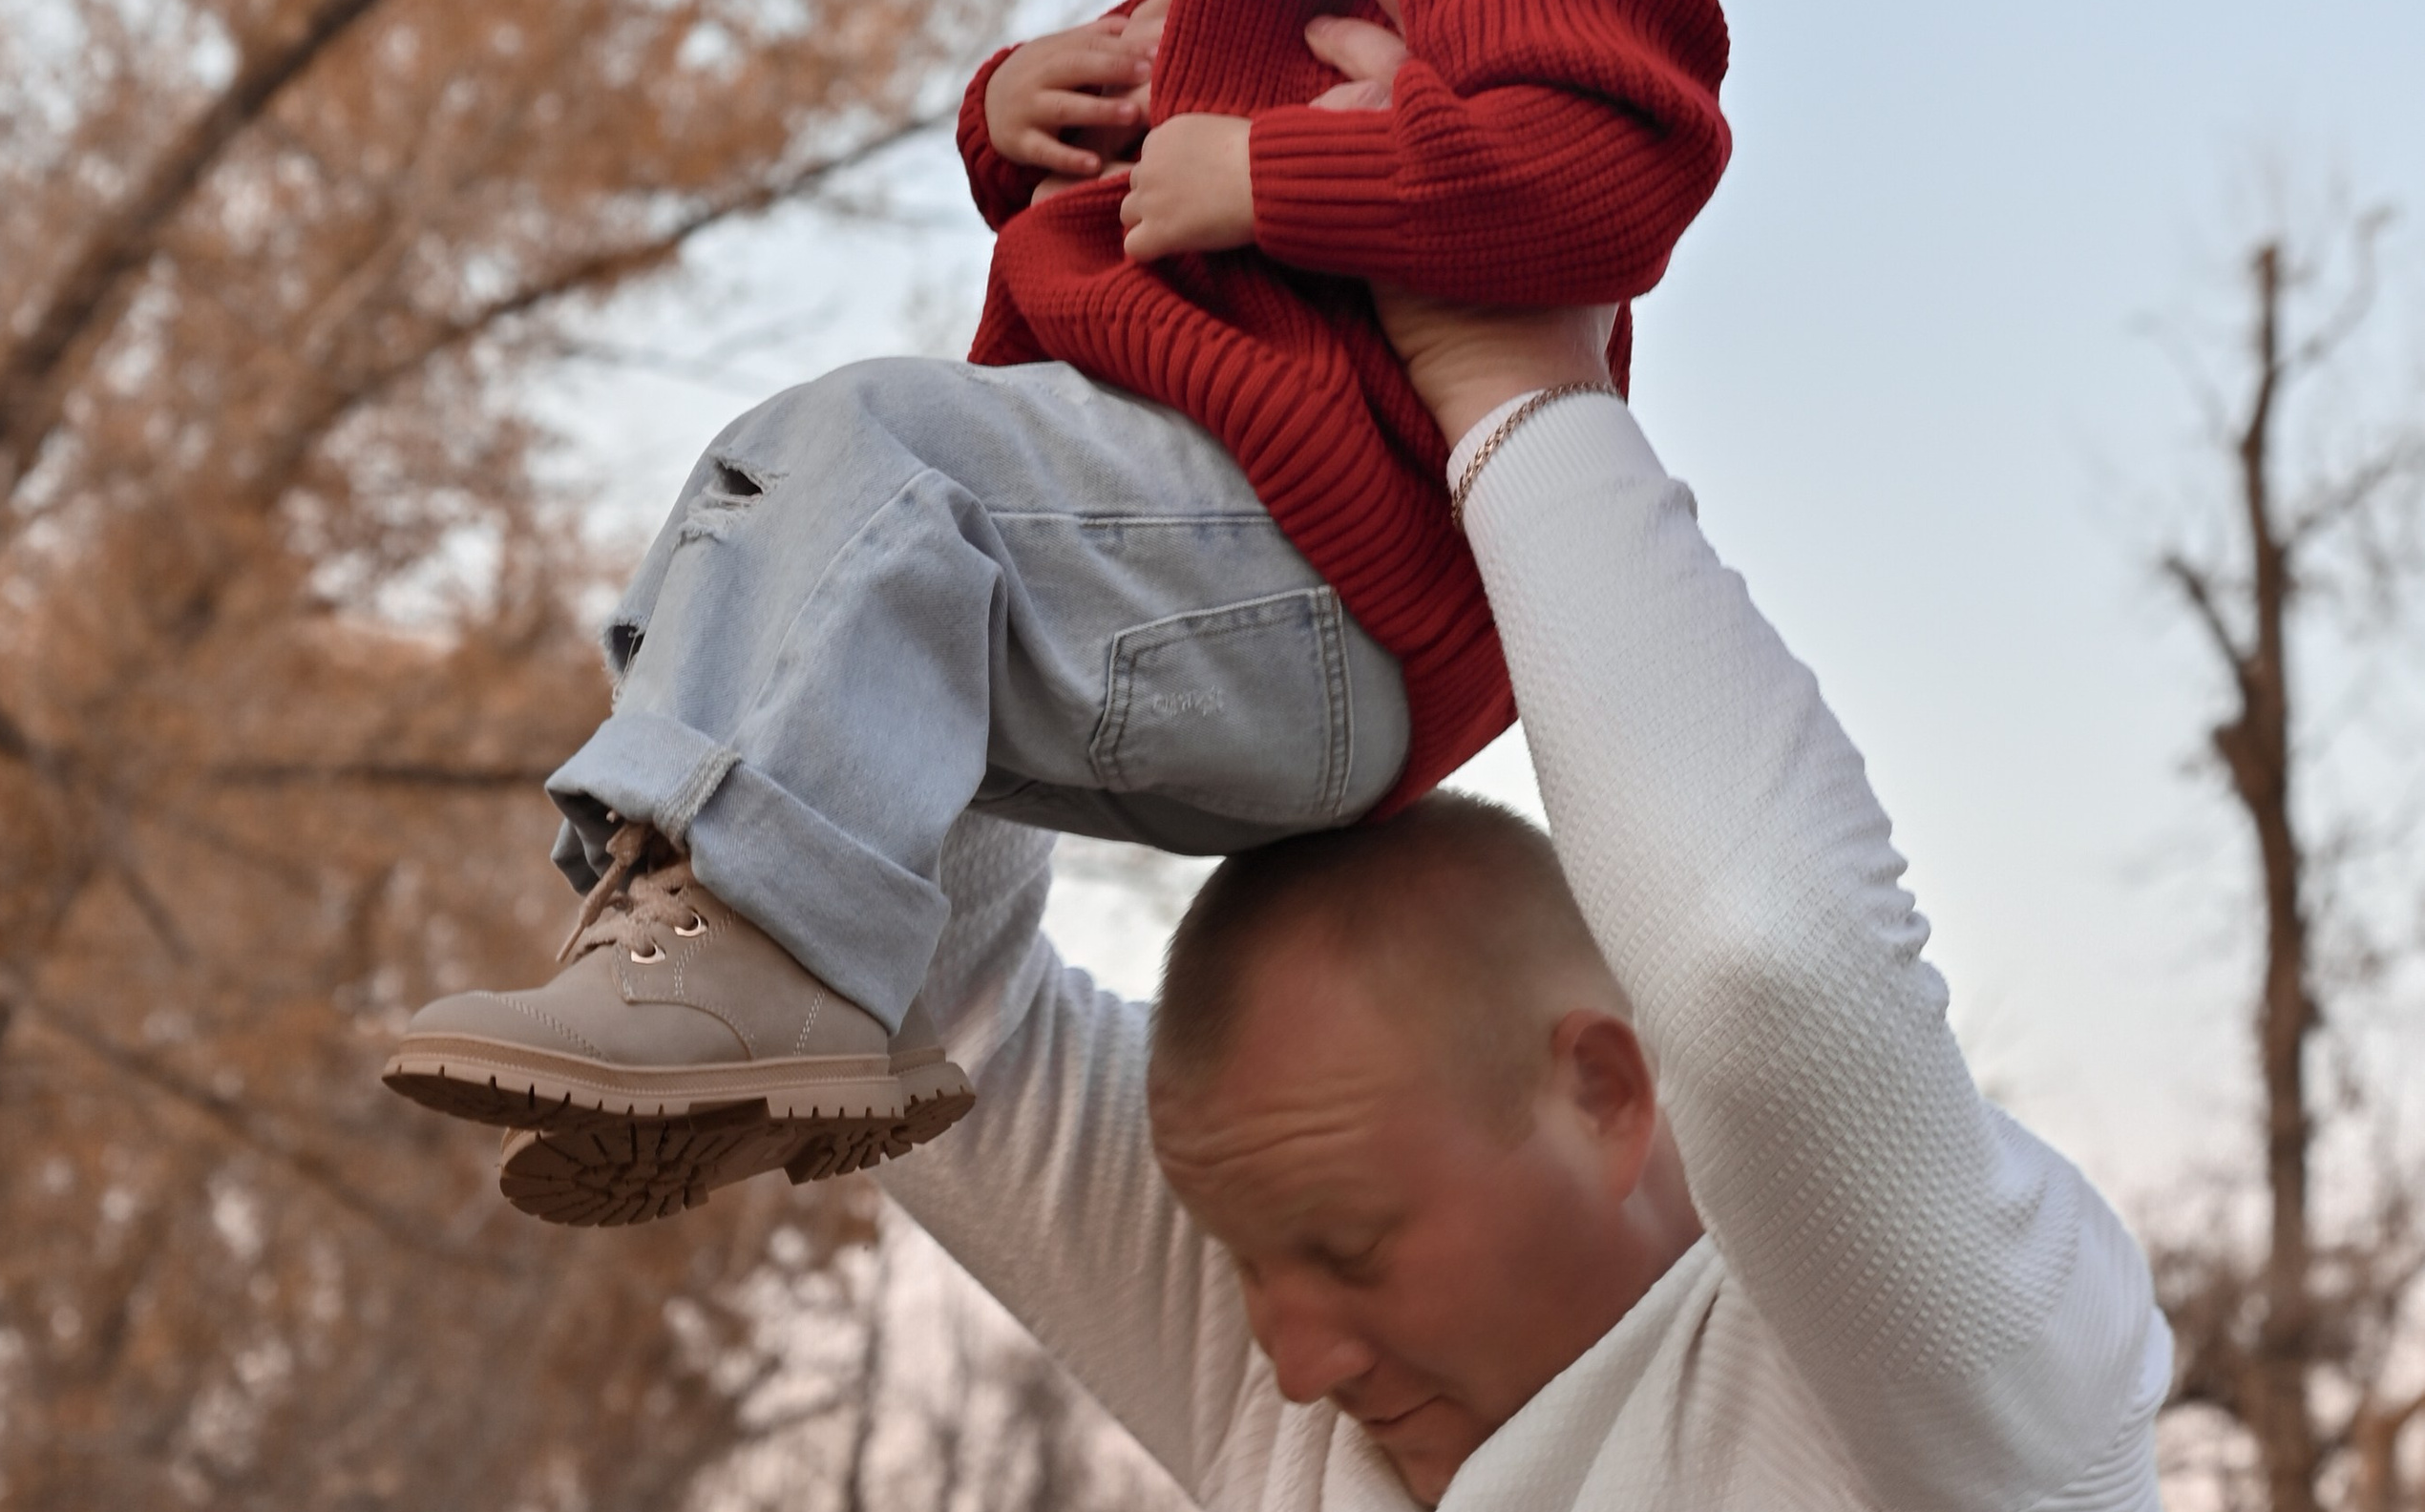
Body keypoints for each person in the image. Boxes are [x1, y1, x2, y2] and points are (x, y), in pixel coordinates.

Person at [384, 0, 1732, 1227]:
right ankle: (844, 992)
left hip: (1331, 579)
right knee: (817, 555)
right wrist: (1010, 103)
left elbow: (1607, 174)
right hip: (1214, 594)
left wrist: (1276, 186)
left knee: (851, 460)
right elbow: (1097, 197)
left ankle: (745, 943)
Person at [846, 284, 2173, 1508]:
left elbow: (1758, 970)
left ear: (1602, 1090)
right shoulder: (1321, 1402)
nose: (1295, 1361)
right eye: (1248, 1262)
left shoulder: (1940, 1387)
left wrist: (1518, 388)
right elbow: (902, 996)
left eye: (1352, 1248)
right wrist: (1088, 310)